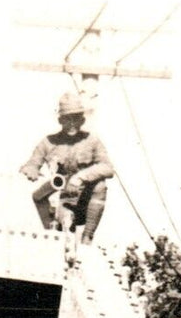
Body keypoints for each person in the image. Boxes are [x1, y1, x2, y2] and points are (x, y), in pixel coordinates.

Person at [20, 91, 115, 243]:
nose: (72, 124)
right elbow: (32, 163)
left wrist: (80, 177)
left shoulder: (92, 141)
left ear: (82, 120)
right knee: (60, 235)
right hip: (62, 199)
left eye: (76, 119)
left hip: (84, 200)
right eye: (67, 119)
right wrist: (32, 170)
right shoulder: (49, 142)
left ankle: (87, 237)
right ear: (60, 120)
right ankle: (53, 234)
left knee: (100, 186)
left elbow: (108, 168)